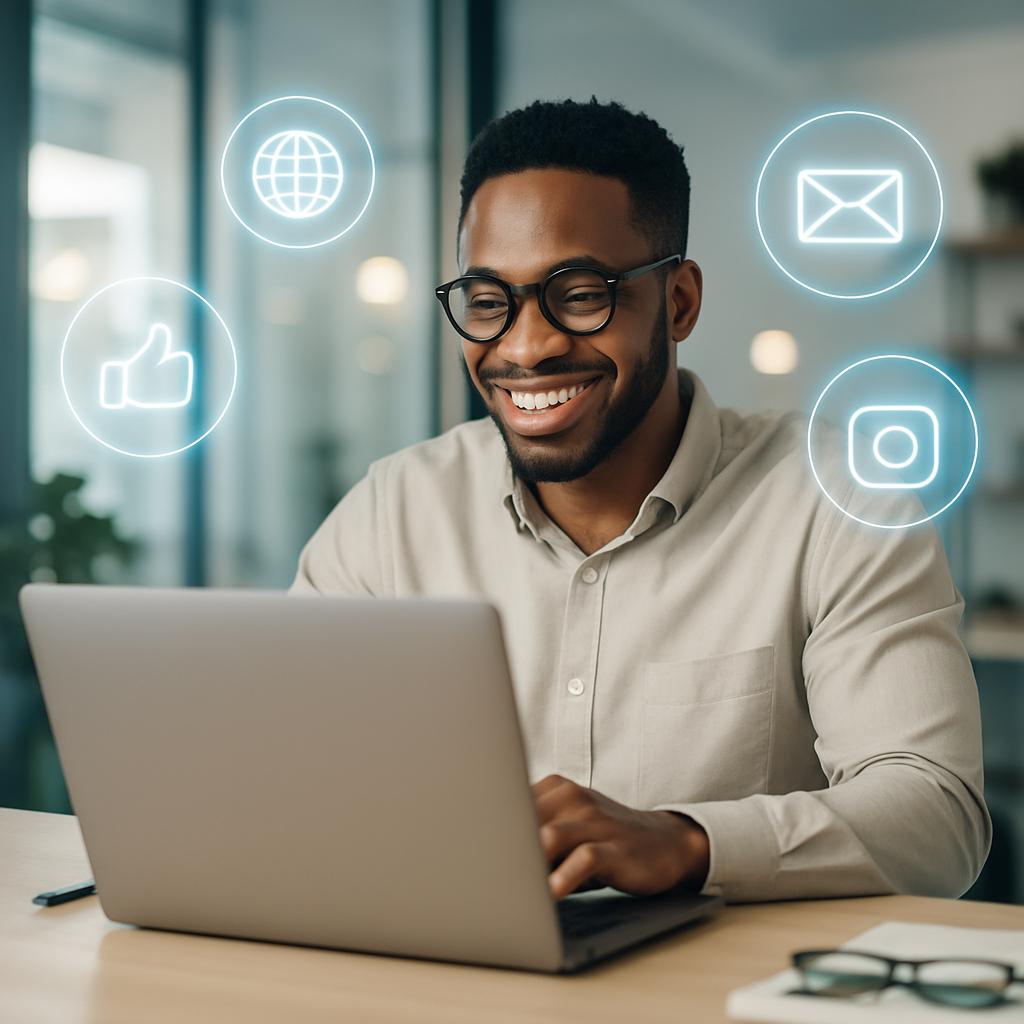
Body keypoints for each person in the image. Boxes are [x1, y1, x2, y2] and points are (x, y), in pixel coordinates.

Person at [291, 99, 989, 903]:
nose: (526, 346)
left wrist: (691, 842)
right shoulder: (394, 512)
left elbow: (938, 820)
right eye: (489, 302)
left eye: (580, 293)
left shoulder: (838, 503)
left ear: (680, 302)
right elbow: (280, 774)